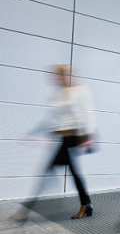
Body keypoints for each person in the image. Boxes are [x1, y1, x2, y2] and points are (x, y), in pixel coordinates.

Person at [8, 66, 96, 221]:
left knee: (48, 171)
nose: (55, 80)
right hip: (64, 138)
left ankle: (26, 211)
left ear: (65, 76)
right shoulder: (60, 94)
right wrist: (32, 133)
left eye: (58, 76)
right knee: (73, 172)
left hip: (74, 137)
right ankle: (86, 204)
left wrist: (88, 136)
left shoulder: (81, 90)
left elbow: (88, 112)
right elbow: (50, 119)